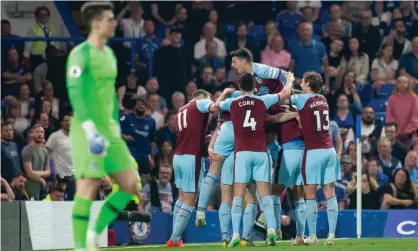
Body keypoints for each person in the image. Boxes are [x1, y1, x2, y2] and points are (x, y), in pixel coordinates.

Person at [66, 3, 140, 251]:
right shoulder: (80, 53)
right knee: (88, 185)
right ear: (96, 23)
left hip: (110, 131)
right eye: (110, 19)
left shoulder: (109, 54)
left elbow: (109, 96)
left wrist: (115, 129)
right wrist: (89, 129)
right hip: (87, 130)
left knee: (130, 185)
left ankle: (93, 233)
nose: (114, 22)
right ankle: (80, 246)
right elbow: (75, 93)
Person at [217, 73, 293, 247]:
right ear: (254, 86)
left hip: (242, 153)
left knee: (238, 195)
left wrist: (224, 94)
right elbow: (285, 94)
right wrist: (288, 79)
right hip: (260, 153)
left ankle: (235, 234)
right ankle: (272, 231)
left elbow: (215, 107)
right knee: (264, 194)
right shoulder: (262, 100)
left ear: (240, 86)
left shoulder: (233, 103)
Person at [287, 72, 341, 245]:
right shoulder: (323, 99)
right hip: (330, 151)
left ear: (308, 84)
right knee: (330, 193)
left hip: (314, 152)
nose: (300, 83)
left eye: (302, 82)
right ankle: (332, 235)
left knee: (309, 194)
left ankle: (313, 236)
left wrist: (288, 81)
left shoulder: (302, 100)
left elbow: (285, 96)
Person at [166, 89, 218, 247]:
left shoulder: (182, 109)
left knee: (181, 198)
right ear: (202, 97)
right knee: (191, 198)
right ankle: (174, 239)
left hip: (179, 156)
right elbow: (215, 107)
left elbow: (192, 134)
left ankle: (176, 237)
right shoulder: (199, 103)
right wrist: (224, 97)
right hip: (191, 157)